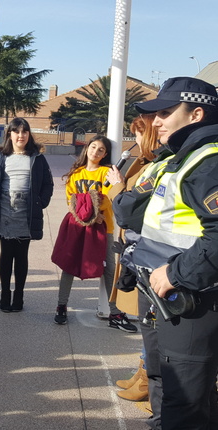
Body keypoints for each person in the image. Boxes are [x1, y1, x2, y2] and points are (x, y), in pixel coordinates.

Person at [113, 76, 218, 430]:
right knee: (161, 380)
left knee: (185, 403)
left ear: (196, 114)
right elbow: (130, 212)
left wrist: (174, 273)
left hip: (191, 297)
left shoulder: (208, 161)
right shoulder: (176, 159)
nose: (155, 122)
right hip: (163, 292)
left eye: (166, 112)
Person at [52, 134, 137, 331]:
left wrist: (95, 210)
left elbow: (111, 198)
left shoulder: (107, 173)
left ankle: (115, 312)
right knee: (69, 264)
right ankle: (61, 306)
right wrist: (87, 213)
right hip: (78, 226)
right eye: (93, 147)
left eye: (101, 150)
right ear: (87, 148)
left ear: (105, 154)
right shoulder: (77, 174)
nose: (95, 152)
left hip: (103, 227)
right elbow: (71, 201)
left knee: (109, 268)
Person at [107, 115, 162, 416]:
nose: (137, 140)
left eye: (140, 133)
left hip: (148, 253)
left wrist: (117, 188)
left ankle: (150, 383)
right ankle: (144, 376)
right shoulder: (144, 161)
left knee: (151, 324)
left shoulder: (156, 166)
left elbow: (131, 210)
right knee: (147, 325)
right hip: (136, 250)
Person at [0, 117, 54, 312]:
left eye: (24, 132)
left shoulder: (37, 157)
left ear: (29, 134)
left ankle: (19, 296)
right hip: (5, 210)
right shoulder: (0, 157)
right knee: (6, 254)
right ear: (9, 134)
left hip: (27, 211)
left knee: (21, 255)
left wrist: (40, 203)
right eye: (16, 131)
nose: (20, 135)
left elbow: (48, 184)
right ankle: (5, 295)